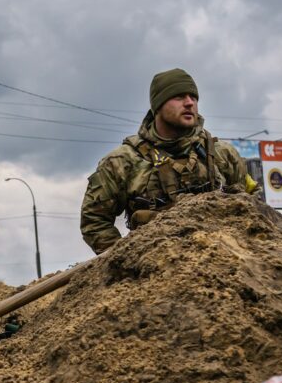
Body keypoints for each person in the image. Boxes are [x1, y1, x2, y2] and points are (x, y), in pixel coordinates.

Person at [80, 68, 257, 254]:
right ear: (158, 105)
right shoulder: (122, 162)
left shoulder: (222, 154)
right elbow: (94, 220)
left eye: (193, 97)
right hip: (156, 270)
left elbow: (251, 202)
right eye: (179, 97)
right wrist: (126, 259)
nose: (189, 103)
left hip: (222, 262)